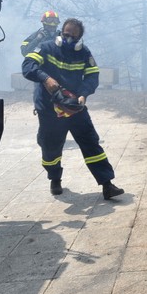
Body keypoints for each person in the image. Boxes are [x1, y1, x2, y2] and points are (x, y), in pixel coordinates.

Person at [22, 17, 124, 200]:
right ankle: (55, 178)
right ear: (61, 33)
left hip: (75, 107)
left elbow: (93, 76)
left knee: (91, 143)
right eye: (66, 34)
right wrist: (45, 78)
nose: (68, 39)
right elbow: (27, 66)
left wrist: (84, 94)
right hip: (49, 108)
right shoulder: (45, 47)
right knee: (51, 147)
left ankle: (107, 184)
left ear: (79, 40)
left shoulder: (84, 52)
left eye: (73, 36)